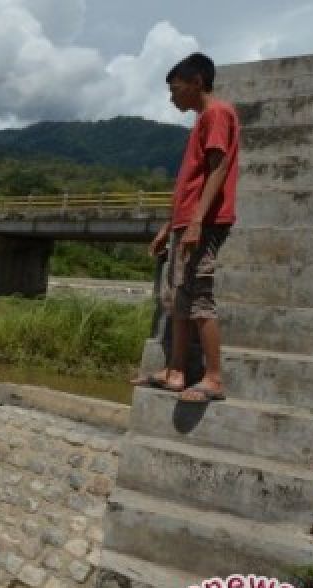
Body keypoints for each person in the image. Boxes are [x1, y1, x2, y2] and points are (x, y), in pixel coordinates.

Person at [131, 52, 240, 403]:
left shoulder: (217, 113)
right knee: (177, 299)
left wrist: (195, 222)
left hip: (204, 223)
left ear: (196, 82)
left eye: (176, 89)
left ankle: (214, 379)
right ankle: (175, 372)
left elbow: (218, 168)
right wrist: (171, 225)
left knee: (199, 299)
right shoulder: (202, 119)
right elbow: (193, 182)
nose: (172, 96)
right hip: (188, 223)